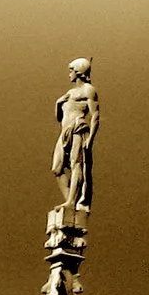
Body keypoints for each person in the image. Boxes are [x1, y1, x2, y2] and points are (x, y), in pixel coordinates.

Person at [52, 58, 99, 211]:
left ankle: (71, 202)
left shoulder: (88, 89)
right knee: (57, 169)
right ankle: (70, 200)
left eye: (71, 71)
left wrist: (90, 139)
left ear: (79, 71)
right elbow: (59, 118)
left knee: (76, 164)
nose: (69, 74)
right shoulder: (70, 93)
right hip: (65, 132)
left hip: (78, 128)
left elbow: (95, 115)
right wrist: (58, 104)